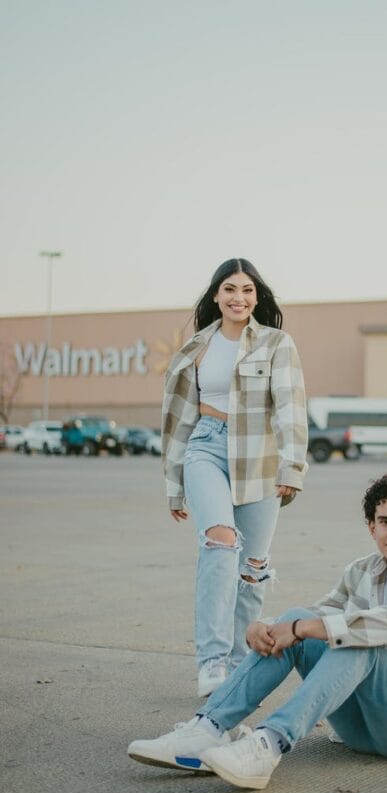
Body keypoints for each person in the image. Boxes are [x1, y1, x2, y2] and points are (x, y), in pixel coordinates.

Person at [128, 473, 387, 790]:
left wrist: (305, 627)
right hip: (362, 732)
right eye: (385, 522)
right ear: (371, 527)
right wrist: (267, 627)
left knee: (364, 636)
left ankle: (268, 744)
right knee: (300, 617)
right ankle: (206, 729)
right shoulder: (361, 570)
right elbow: (315, 616)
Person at [162, 258, 308, 697]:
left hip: (260, 454)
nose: (238, 298)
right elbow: (177, 422)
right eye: (229, 289)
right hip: (206, 445)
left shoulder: (276, 343)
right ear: (215, 296)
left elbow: (290, 407)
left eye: (246, 290)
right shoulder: (195, 349)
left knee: (252, 566)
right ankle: (210, 660)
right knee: (220, 542)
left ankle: (239, 664)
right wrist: (175, 485)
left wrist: (291, 465)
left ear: (256, 296)